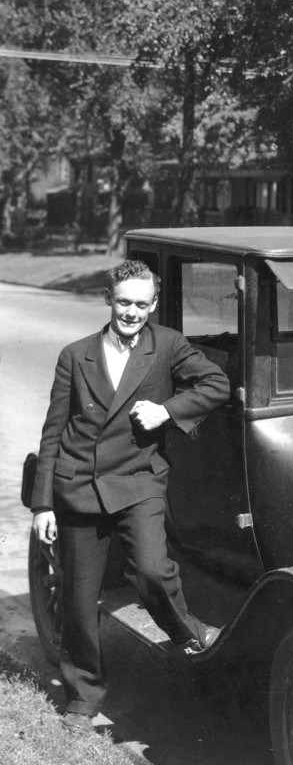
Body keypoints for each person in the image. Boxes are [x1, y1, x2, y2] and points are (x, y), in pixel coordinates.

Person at [29, 259, 231, 732]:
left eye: (142, 304)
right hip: (80, 486)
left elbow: (216, 384)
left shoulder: (168, 346)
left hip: (139, 479)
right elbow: (53, 432)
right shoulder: (75, 354)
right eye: (124, 302)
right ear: (108, 299)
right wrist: (43, 504)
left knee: (151, 570)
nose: (132, 312)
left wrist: (166, 410)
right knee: (79, 602)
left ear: (154, 305)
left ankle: (188, 635)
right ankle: (83, 698)